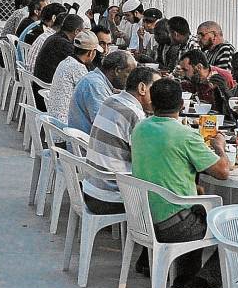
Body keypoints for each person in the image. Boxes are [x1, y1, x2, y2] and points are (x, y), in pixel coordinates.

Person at [130, 78, 229, 288]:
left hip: (144, 217)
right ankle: (198, 285)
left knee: (196, 205)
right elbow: (222, 172)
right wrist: (220, 147)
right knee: (234, 229)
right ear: (181, 106)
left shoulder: (141, 127)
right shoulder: (185, 135)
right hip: (172, 225)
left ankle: (184, 281)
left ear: (151, 103)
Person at [85, 66, 159, 209]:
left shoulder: (111, 100)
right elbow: (145, 162)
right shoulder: (135, 114)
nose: (159, 96)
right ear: (142, 88)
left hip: (90, 189)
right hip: (110, 197)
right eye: (155, 90)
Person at [68, 50, 135, 134]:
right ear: (117, 70)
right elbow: (104, 125)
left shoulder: (96, 79)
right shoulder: (95, 85)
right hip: (87, 142)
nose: (131, 80)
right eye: (129, 74)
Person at [45, 31, 102, 124]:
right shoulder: (78, 68)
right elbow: (92, 98)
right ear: (91, 53)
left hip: (53, 122)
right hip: (63, 126)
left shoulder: (66, 61)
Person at [178, 49, 235, 115]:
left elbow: (232, 104)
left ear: (199, 67)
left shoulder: (223, 77)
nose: (183, 73)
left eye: (185, 70)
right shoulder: (196, 78)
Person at [33, 14, 84, 86]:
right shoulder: (63, 44)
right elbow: (79, 65)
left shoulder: (54, 37)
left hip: (39, 84)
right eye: (83, 33)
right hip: (45, 88)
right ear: (77, 31)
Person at [24, 3, 67, 69]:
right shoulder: (51, 38)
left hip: (29, 75)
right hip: (36, 76)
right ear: (54, 18)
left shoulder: (42, 32)